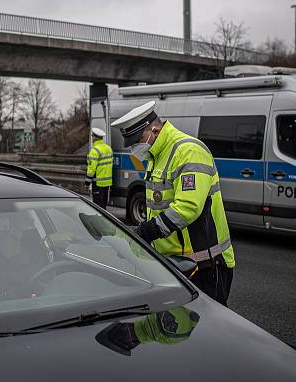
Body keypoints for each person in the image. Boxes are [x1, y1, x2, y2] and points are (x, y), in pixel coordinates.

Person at [112, 101, 235, 306]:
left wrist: (146, 232)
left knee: (208, 330)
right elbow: (156, 208)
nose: (135, 147)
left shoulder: (188, 151)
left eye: (138, 140)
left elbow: (188, 207)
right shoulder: (156, 156)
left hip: (204, 264)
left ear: (155, 129)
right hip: (174, 264)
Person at [86, 128, 113, 208]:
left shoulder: (94, 151)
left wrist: (87, 183)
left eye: (92, 136)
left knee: (98, 207)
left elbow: (91, 169)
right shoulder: (108, 148)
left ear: (95, 137)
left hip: (98, 183)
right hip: (107, 183)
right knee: (103, 206)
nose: (91, 138)